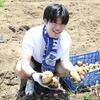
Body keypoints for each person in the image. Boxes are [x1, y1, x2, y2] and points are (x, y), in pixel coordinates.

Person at [15, 3, 79, 100]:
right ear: (45, 20)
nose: (58, 28)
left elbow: (65, 61)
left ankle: (52, 80)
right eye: (54, 22)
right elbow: (25, 63)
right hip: (35, 62)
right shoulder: (32, 34)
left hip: (53, 65)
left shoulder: (65, 38)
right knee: (20, 69)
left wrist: (72, 70)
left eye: (62, 24)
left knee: (66, 70)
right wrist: (34, 75)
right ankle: (31, 81)